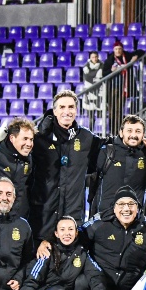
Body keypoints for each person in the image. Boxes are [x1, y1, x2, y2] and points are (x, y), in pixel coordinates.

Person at [31, 90, 104, 241]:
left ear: (76, 110)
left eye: (71, 107)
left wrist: (139, 142)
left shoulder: (86, 137)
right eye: (62, 107)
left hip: (73, 215)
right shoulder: (39, 138)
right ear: (55, 111)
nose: (67, 111)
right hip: (44, 215)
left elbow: (110, 144)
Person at [90, 115, 146, 214]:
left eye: (138, 131)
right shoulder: (106, 152)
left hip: (133, 219)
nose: (133, 135)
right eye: (129, 131)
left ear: (143, 135)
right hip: (106, 217)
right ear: (121, 133)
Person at [103, 40, 138, 130]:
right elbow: (104, 74)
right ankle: (112, 130)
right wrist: (111, 71)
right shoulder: (109, 60)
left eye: (119, 49)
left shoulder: (127, 56)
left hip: (123, 88)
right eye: (116, 49)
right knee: (111, 110)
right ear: (113, 50)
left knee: (119, 110)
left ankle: (118, 129)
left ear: (122, 49)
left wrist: (133, 59)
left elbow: (141, 52)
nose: (118, 51)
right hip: (112, 88)